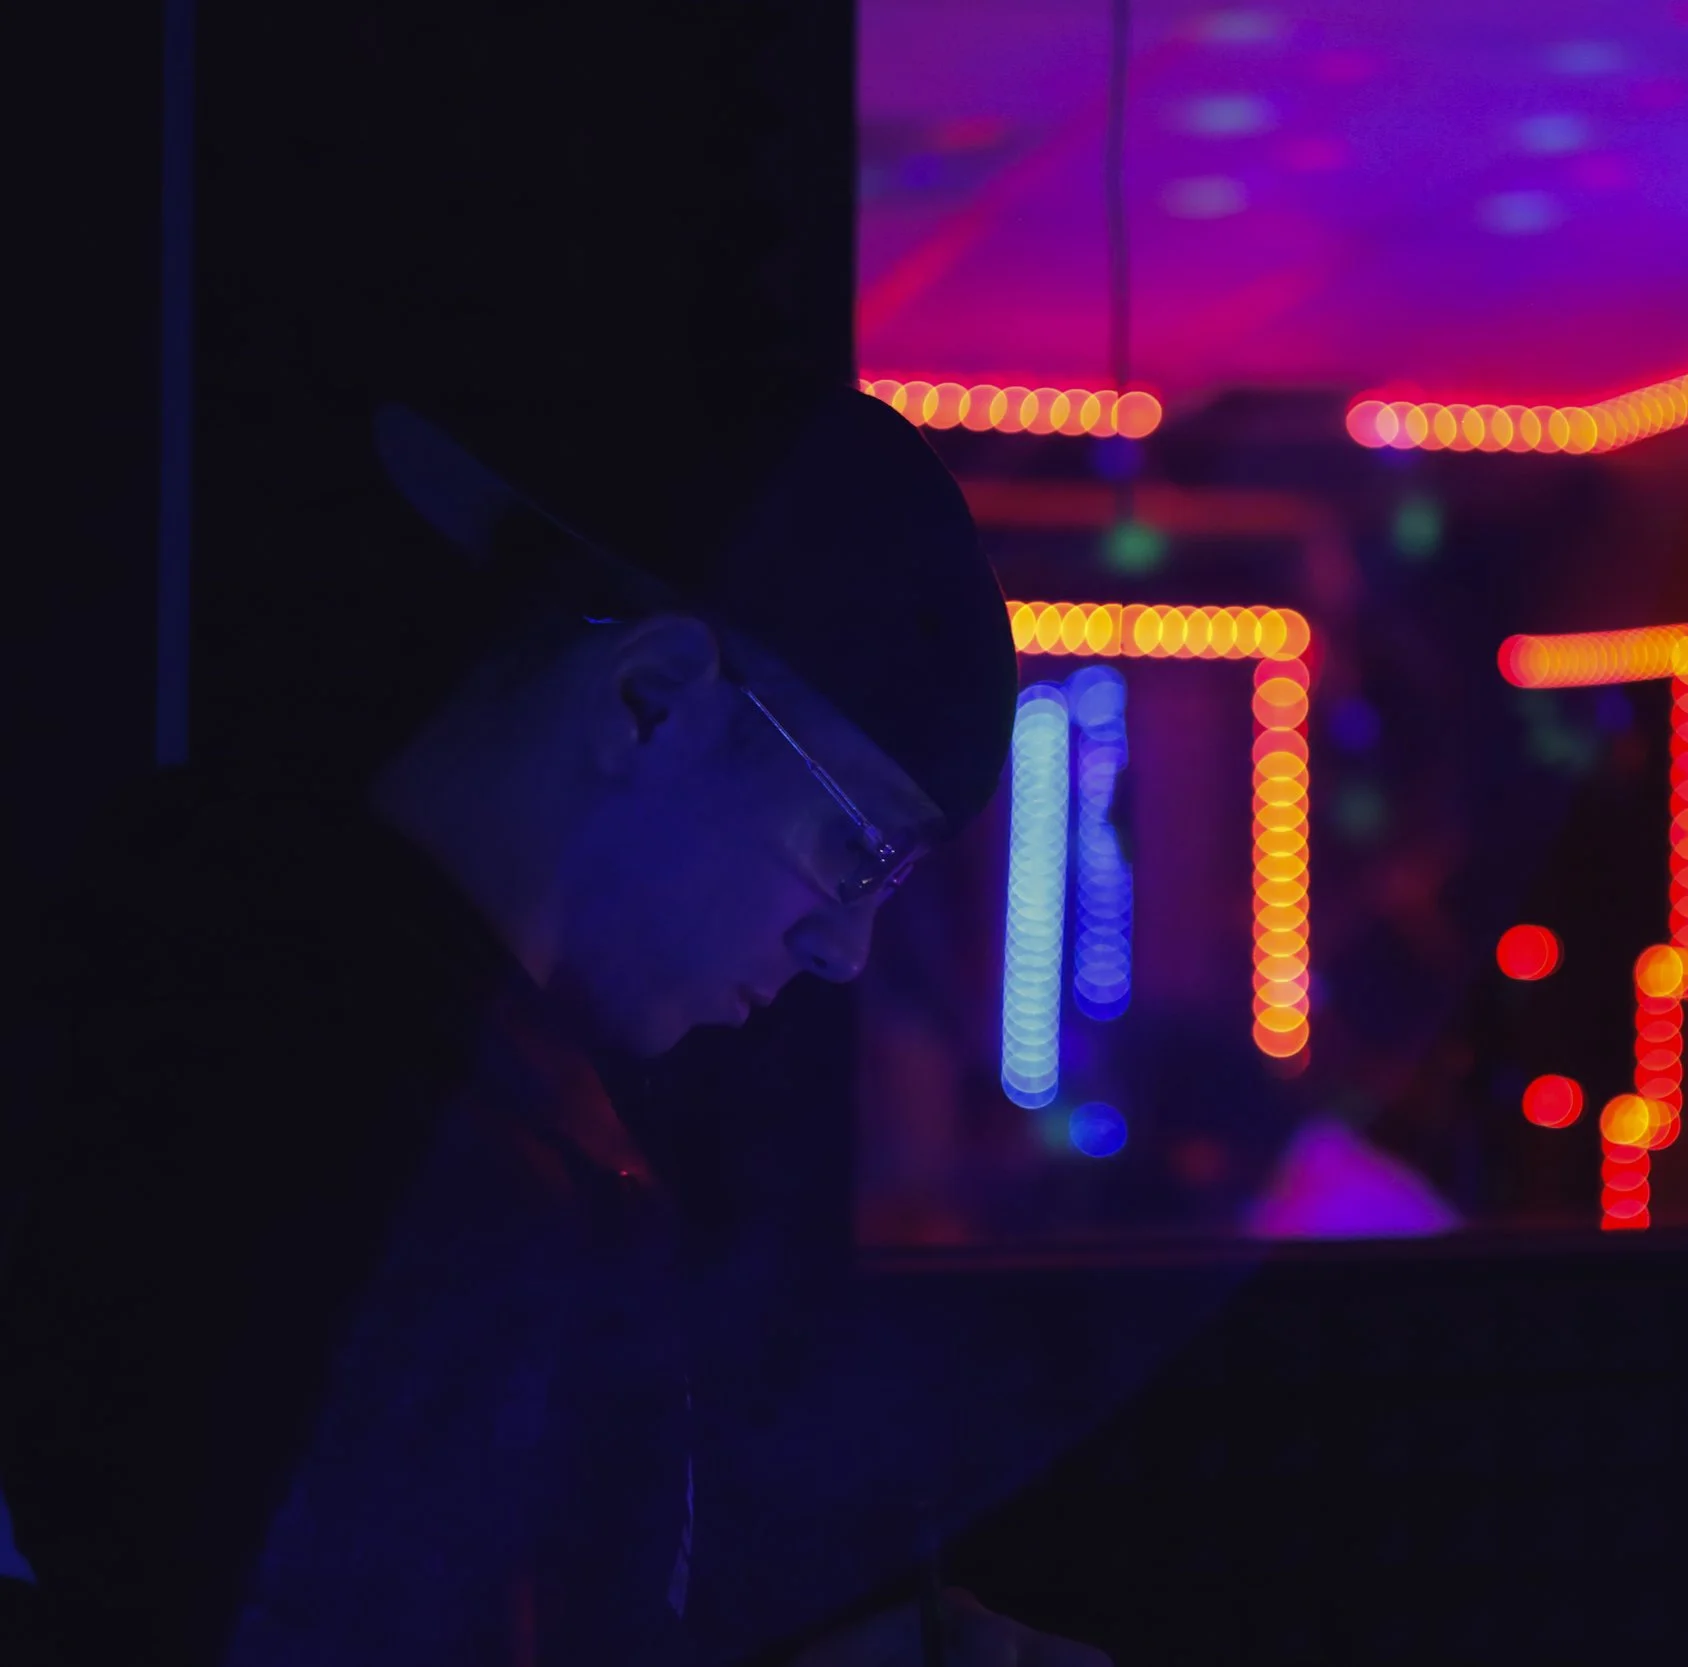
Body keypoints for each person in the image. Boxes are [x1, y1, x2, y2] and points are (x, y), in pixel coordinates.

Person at [0, 390, 1111, 1666]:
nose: (843, 945)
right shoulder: (391, 1157)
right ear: (648, 697)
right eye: (850, 851)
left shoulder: (202, 970)